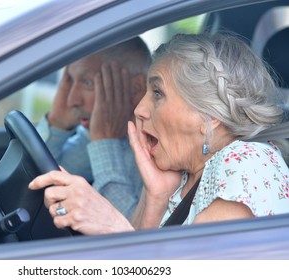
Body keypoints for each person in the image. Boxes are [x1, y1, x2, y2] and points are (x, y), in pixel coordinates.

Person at [29, 32, 289, 235]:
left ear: (210, 116)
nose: (140, 109)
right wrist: (155, 196)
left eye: (157, 93)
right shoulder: (184, 174)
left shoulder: (246, 163)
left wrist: (111, 224)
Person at [36, 37, 151, 219]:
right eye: (71, 82)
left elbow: (129, 228)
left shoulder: (157, 148)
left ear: (136, 87)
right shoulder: (91, 134)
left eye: (87, 83)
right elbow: (40, 180)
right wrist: (57, 122)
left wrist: (105, 142)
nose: (72, 100)